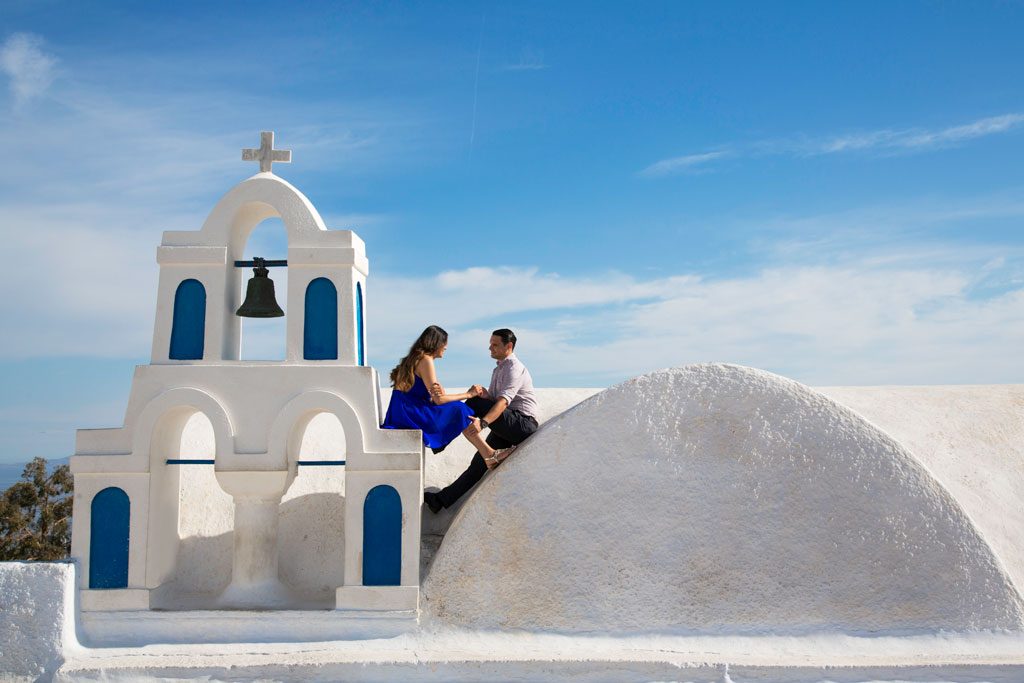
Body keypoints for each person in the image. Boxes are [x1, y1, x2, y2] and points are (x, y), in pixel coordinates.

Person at [424, 328, 538, 513]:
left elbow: (502, 403)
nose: (490, 348)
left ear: (508, 346)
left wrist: (482, 423)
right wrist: (485, 394)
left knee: (473, 402)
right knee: (481, 461)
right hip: (508, 424)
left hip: (522, 425)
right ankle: (440, 500)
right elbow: (495, 399)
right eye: (490, 344)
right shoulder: (499, 368)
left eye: (495, 344)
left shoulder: (514, 368)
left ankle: (442, 436)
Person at [382, 325, 516, 461]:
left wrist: (441, 393)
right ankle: (490, 454)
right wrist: (469, 394)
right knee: (460, 409)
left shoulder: (414, 359)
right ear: (437, 343)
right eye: (444, 343)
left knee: (457, 409)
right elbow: (438, 400)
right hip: (410, 413)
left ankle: (489, 454)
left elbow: (432, 397)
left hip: (401, 412)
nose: (446, 347)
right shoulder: (426, 360)